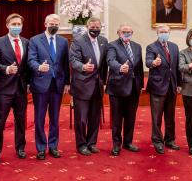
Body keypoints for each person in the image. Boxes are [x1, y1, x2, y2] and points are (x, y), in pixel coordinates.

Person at [27, 14, 70, 160]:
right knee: (39, 118)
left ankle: (53, 146)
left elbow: (65, 64)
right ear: (45, 24)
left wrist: (67, 82)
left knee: (55, 118)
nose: (54, 26)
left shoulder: (64, 41)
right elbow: (31, 60)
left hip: (57, 85)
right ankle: (40, 148)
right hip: (40, 84)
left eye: (57, 24)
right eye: (51, 23)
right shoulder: (35, 40)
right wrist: (39, 67)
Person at [0, 14, 30, 164]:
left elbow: (27, 66)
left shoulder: (26, 42)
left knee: (20, 121)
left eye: (19, 24)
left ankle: (20, 148)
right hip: (4, 89)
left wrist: (29, 83)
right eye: (13, 23)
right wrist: (6, 69)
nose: (16, 26)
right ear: (7, 25)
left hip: (21, 89)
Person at [69, 17, 108, 156]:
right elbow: (73, 60)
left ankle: (91, 143)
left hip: (97, 85)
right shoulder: (78, 41)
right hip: (82, 85)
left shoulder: (103, 41)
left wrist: (103, 81)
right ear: (87, 26)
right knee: (81, 118)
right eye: (92, 27)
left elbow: (104, 64)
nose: (95, 29)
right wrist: (83, 66)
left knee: (94, 117)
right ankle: (81, 144)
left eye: (98, 27)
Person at [106, 23, 144, 156]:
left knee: (130, 117)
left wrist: (141, 86)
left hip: (134, 87)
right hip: (118, 87)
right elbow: (110, 61)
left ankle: (128, 142)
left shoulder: (137, 46)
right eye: (124, 31)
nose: (127, 33)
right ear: (118, 33)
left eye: (129, 31)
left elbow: (139, 67)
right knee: (117, 118)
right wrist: (119, 67)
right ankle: (116, 144)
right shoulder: (112, 45)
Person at [145, 24, 182, 154]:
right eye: (161, 31)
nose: (164, 33)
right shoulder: (151, 47)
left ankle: (170, 140)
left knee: (170, 116)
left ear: (169, 32)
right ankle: (157, 141)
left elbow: (177, 67)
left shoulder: (174, 47)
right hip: (157, 86)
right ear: (157, 33)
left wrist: (179, 83)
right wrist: (153, 63)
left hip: (172, 86)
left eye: (166, 31)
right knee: (157, 117)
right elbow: (148, 61)